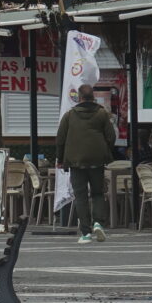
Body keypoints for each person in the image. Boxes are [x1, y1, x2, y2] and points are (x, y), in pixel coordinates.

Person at [56, 83, 115, 243]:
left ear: (80, 98)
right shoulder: (102, 114)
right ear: (93, 97)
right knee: (97, 193)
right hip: (97, 161)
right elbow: (111, 137)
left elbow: (60, 139)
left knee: (81, 196)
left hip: (76, 162)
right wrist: (104, 151)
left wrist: (60, 159)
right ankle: (98, 223)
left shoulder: (69, 115)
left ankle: (86, 233)